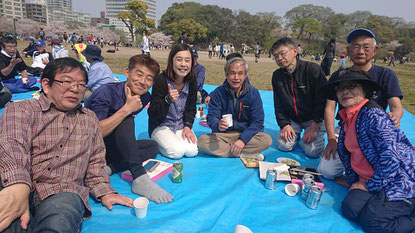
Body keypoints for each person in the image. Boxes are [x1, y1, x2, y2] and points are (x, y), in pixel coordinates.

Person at [0, 57, 134, 233]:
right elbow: (12, 144)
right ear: (46, 85)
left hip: (62, 189)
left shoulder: (89, 119)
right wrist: (18, 185)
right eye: (67, 82)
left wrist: (104, 191)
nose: (75, 89)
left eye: (81, 84)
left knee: (59, 223)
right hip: (15, 184)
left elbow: (95, 161)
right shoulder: (21, 109)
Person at [320, 67, 415, 233]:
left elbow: (391, 160)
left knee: (373, 222)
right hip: (371, 177)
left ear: (365, 90)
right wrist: (353, 181)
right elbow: (352, 156)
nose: (345, 91)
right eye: (340, 88)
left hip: (398, 179)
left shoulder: (374, 116)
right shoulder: (347, 118)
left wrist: (369, 186)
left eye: (352, 86)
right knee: (351, 208)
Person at [85, 55, 173, 204]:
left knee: (152, 146)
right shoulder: (106, 92)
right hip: (89, 149)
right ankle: (139, 177)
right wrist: (127, 109)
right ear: (127, 73)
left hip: (110, 149)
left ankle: (109, 168)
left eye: (149, 78)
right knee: (126, 119)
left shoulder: (144, 97)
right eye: (139, 75)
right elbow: (95, 133)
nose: (142, 82)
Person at [318, 28, 404, 180]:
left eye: (366, 47)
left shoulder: (386, 75)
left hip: (371, 132)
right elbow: (330, 108)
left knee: (382, 169)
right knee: (326, 170)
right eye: (356, 47)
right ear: (348, 50)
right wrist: (331, 139)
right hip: (345, 128)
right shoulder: (339, 75)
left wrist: (395, 115)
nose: (360, 51)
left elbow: (396, 105)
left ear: (375, 50)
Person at [198, 57, 272, 157]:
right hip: (224, 135)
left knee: (266, 140)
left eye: (240, 73)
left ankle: (230, 150)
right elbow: (212, 117)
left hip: (247, 134)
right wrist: (218, 125)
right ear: (226, 75)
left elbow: (257, 122)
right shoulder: (218, 93)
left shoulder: (253, 93)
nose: (236, 77)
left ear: (245, 75)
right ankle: (243, 153)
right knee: (202, 141)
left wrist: (242, 140)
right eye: (232, 73)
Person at [271, 37, 327, 158]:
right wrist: (284, 124)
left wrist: (315, 126)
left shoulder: (312, 70)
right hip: (292, 119)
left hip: (313, 119)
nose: (279, 58)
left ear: (295, 51)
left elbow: (322, 100)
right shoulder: (277, 76)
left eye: (282, 53)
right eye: (275, 56)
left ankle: (310, 137)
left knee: (313, 152)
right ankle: (295, 135)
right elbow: (278, 103)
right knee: (283, 146)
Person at [148, 43, 198, 159]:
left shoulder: (192, 82)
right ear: (172, 61)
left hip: (180, 125)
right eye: (179, 60)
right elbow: (152, 113)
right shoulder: (161, 81)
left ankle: (173, 139)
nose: (183, 64)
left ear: (192, 63)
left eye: (187, 60)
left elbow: (191, 108)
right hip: (161, 125)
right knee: (177, 152)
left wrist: (188, 126)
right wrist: (168, 100)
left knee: (192, 151)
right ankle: (158, 141)